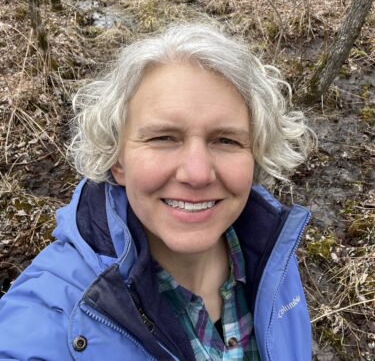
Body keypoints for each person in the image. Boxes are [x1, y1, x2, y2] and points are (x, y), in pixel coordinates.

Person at [0, 24, 315, 360]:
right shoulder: (49, 317)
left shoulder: (272, 256)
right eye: (164, 138)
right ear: (117, 161)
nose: (196, 174)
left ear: (256, 155)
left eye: (226, 140)